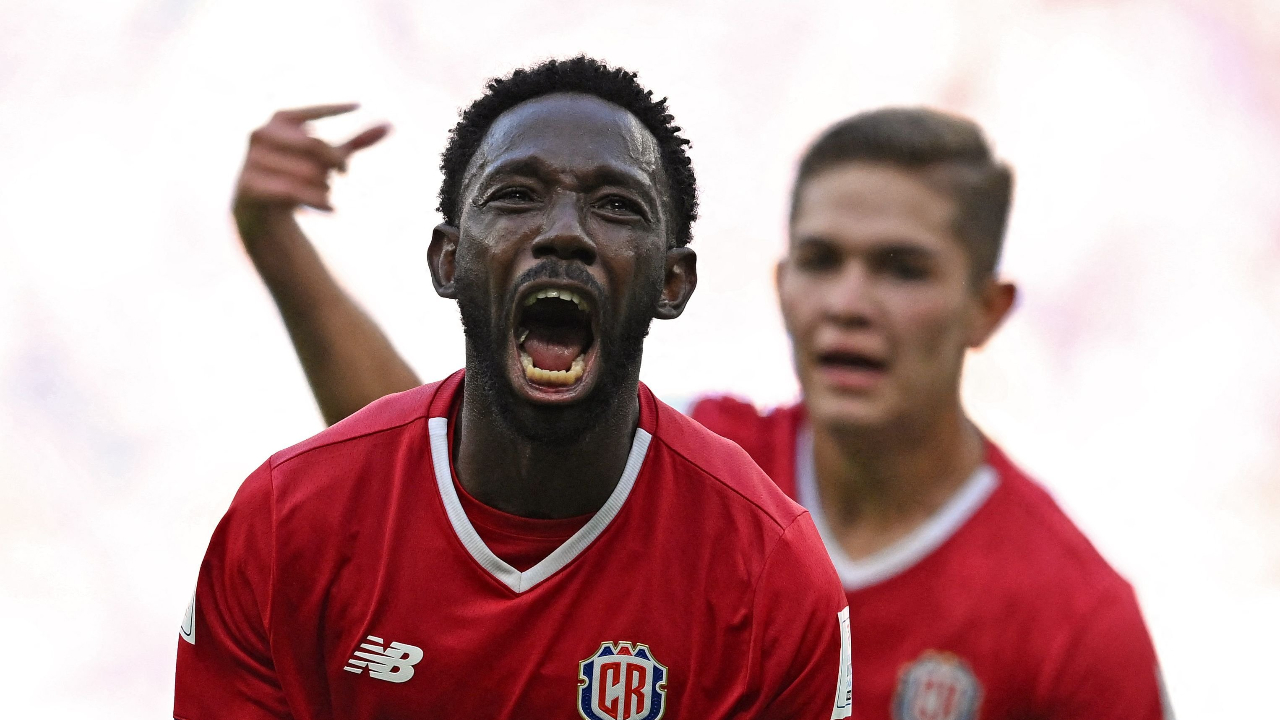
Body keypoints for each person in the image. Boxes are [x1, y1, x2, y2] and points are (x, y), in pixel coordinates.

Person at [228, 97, 1171, 718]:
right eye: (822, 260)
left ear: (986, 310)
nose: (849, 301)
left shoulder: (1073, 622)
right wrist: (280, 248)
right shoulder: (698, 462)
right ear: (780, 283)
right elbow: (434, 467)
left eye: (901, 269)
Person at [175, 56, 854, 720]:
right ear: (448, 261)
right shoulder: (285, 522)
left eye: (617, 206)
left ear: (673, 284)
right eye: (516, 196)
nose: (563, 233)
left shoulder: (768, 572)